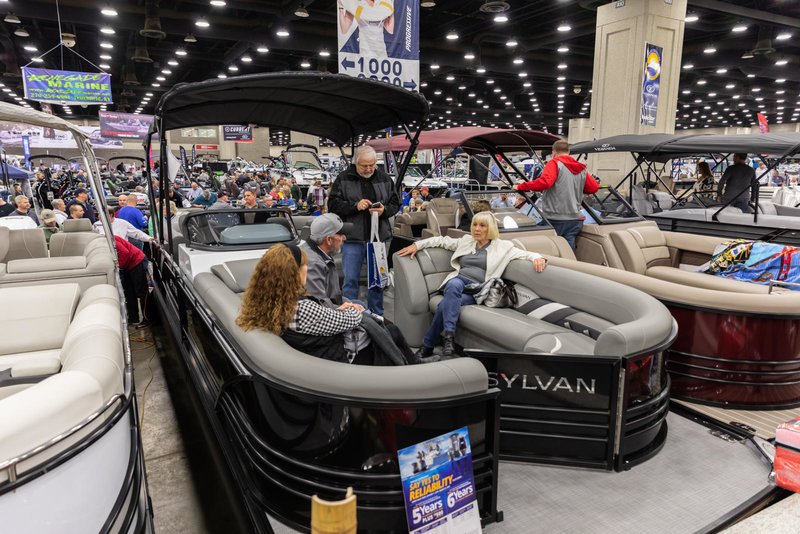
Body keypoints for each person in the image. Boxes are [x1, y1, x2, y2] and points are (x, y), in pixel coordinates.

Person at [235, 244, 435, 365]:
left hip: (317, 350)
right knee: (390, 330)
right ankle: (410, 367)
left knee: (386, 327)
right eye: (304, 265)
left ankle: (412, 362)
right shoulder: (302, 309)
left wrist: (336, 310)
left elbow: (320, 319)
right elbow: (353, 318)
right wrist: (351, 309)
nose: (307, 268)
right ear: (292, 273)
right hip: (342, 357)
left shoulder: (266, 303)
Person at [398, 212, 546, 358]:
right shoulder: (466, 241)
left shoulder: (503, 247)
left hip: (478, 290)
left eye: (482, 225)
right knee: (454, 284)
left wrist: (538, 258)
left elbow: (525, 254)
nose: (477, 229)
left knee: (444, 306)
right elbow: (441, 240)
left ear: (491, 229)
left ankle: (429, 345)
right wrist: (417, 245)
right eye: (475, 224)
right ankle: (449, 337)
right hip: (460, 282)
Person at [328, 145, 400, 315]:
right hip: (353, 239)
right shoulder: (343, 179)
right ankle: (351, 315)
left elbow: (396, 204)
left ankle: (377, 315)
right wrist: (355, 206)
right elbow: (332, 205)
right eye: (364, 165)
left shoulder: (385, 179)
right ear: (356, 163)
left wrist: (385, 210)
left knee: (377, 280)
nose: (369, 169)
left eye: (372, 165)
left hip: (378, 239)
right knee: (350, 280)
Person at [513, 139, 599, 249]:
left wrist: (521, 186)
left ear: (553, 153)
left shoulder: (554, 163)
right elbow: (593, 188)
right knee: (568, 252)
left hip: (555, 218)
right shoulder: (581, 168)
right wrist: (576, 187)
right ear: (568, 152)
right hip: (575, 220)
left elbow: (545, 182)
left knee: (545, 249)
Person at [302, 213, 354, 306]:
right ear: (329, 240)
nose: (344, 238)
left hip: (330, 308)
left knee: (362, 306)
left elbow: (332, 296)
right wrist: (349, 311)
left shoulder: (319, 253)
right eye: (341, 234)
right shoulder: (314, 263)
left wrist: (348, 303)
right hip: (323, 316)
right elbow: (318, 307)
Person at [114, 235, 150, 328]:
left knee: (142, 291)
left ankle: (148, 319)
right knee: (129, 291)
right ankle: (133, 318)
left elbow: (125, 253)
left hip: (137, 261)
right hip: (128, 265)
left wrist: (119, 266)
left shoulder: (109, 240)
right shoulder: (107, 238)